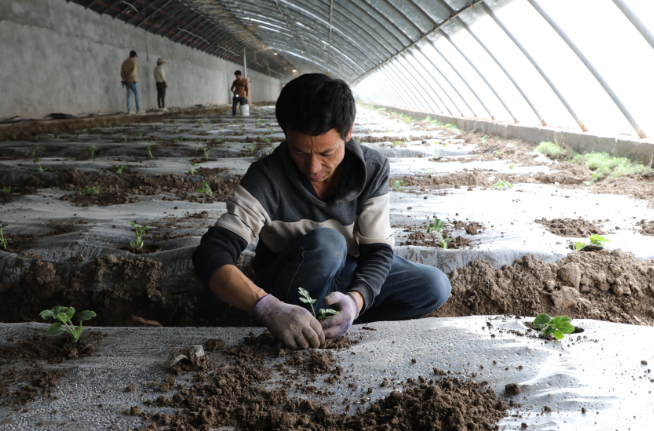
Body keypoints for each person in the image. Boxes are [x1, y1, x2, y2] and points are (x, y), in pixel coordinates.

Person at [192, 74, 450, 349]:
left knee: (434, 285)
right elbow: (211, 253)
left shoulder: (372, 169)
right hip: (292, 277)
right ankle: (289, 319)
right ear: (285, 134)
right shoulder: (267, 178)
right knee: (328, 242)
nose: (313, 167)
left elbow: (377, 250)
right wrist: (266, 307)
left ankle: (330, 324)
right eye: (300, 152)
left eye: (327, 152)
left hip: (346, 270)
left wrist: (356, 299)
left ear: (348, 132)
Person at [120, 50, 145, 115]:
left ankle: (130, 110)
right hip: (133, 81)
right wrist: (128, 77)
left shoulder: (124, 63)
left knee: (129, 96)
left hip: (127, 82)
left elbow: (122, 73)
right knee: (137, 96)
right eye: (135, 56)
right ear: (134, 56)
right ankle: (139, 109)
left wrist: (124, 79)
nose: (135, 58)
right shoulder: (134, 63)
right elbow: (133, 72)